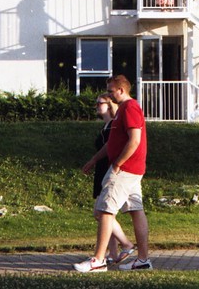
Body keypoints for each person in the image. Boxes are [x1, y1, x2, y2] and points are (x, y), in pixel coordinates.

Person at [73, 75, 151, 273]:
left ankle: (98, 260)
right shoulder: (122, 110)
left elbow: (135, 140)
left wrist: (117, 164)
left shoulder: (130, 107)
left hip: (124, 170)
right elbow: (112, 143)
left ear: (121, 90)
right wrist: (94, 160)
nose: (108, 95)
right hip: (131, 170)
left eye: (110, 91)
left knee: (105, 211)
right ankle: (142, 260)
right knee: (136, 210)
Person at [91, 94, 135, 265]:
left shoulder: (113, 126)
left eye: (100, 103)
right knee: (103, 213)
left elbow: (111, 147)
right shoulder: (107, 126)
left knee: (102, 212)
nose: (97, 106)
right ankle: (113, 253)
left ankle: (126, 244)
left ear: (109, 105)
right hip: (101, 169)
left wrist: (95, 161)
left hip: (108, 169)